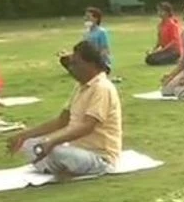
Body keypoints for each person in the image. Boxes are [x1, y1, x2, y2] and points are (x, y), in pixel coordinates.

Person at [6, 40, 122, 177]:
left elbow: (87, 126)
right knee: (30, 144)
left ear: (91, 64)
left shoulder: (102, 88)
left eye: (75, 64)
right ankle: (58, 166)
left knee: (55, 150)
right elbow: (61, 121)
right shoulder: (80, 87)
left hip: (99, 157)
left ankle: (57, 166)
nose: (71, 69)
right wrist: (24, 135)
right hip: (76, 151)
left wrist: (52, 141)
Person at [60, 7, 112, 74]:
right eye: (85, 16)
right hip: (87, 60)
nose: (85, 18)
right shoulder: (86, 33)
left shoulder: (101, 32)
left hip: (97, 61)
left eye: (88, 17)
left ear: (96, 18)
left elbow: (105, 50)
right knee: (64, 59)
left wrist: (96, 60)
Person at [145, 2, 183, 66]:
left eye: (161, 11)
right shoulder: (160, 25)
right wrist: (153, 50)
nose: (159, 13)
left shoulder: (172, 25)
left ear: (167, 12)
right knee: (149, 58)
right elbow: (159, 40)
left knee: (155, 60)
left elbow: (174, 41)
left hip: (174, 51)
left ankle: (176, 59)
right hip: (165, 50)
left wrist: (162, 50)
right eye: (158, 11)